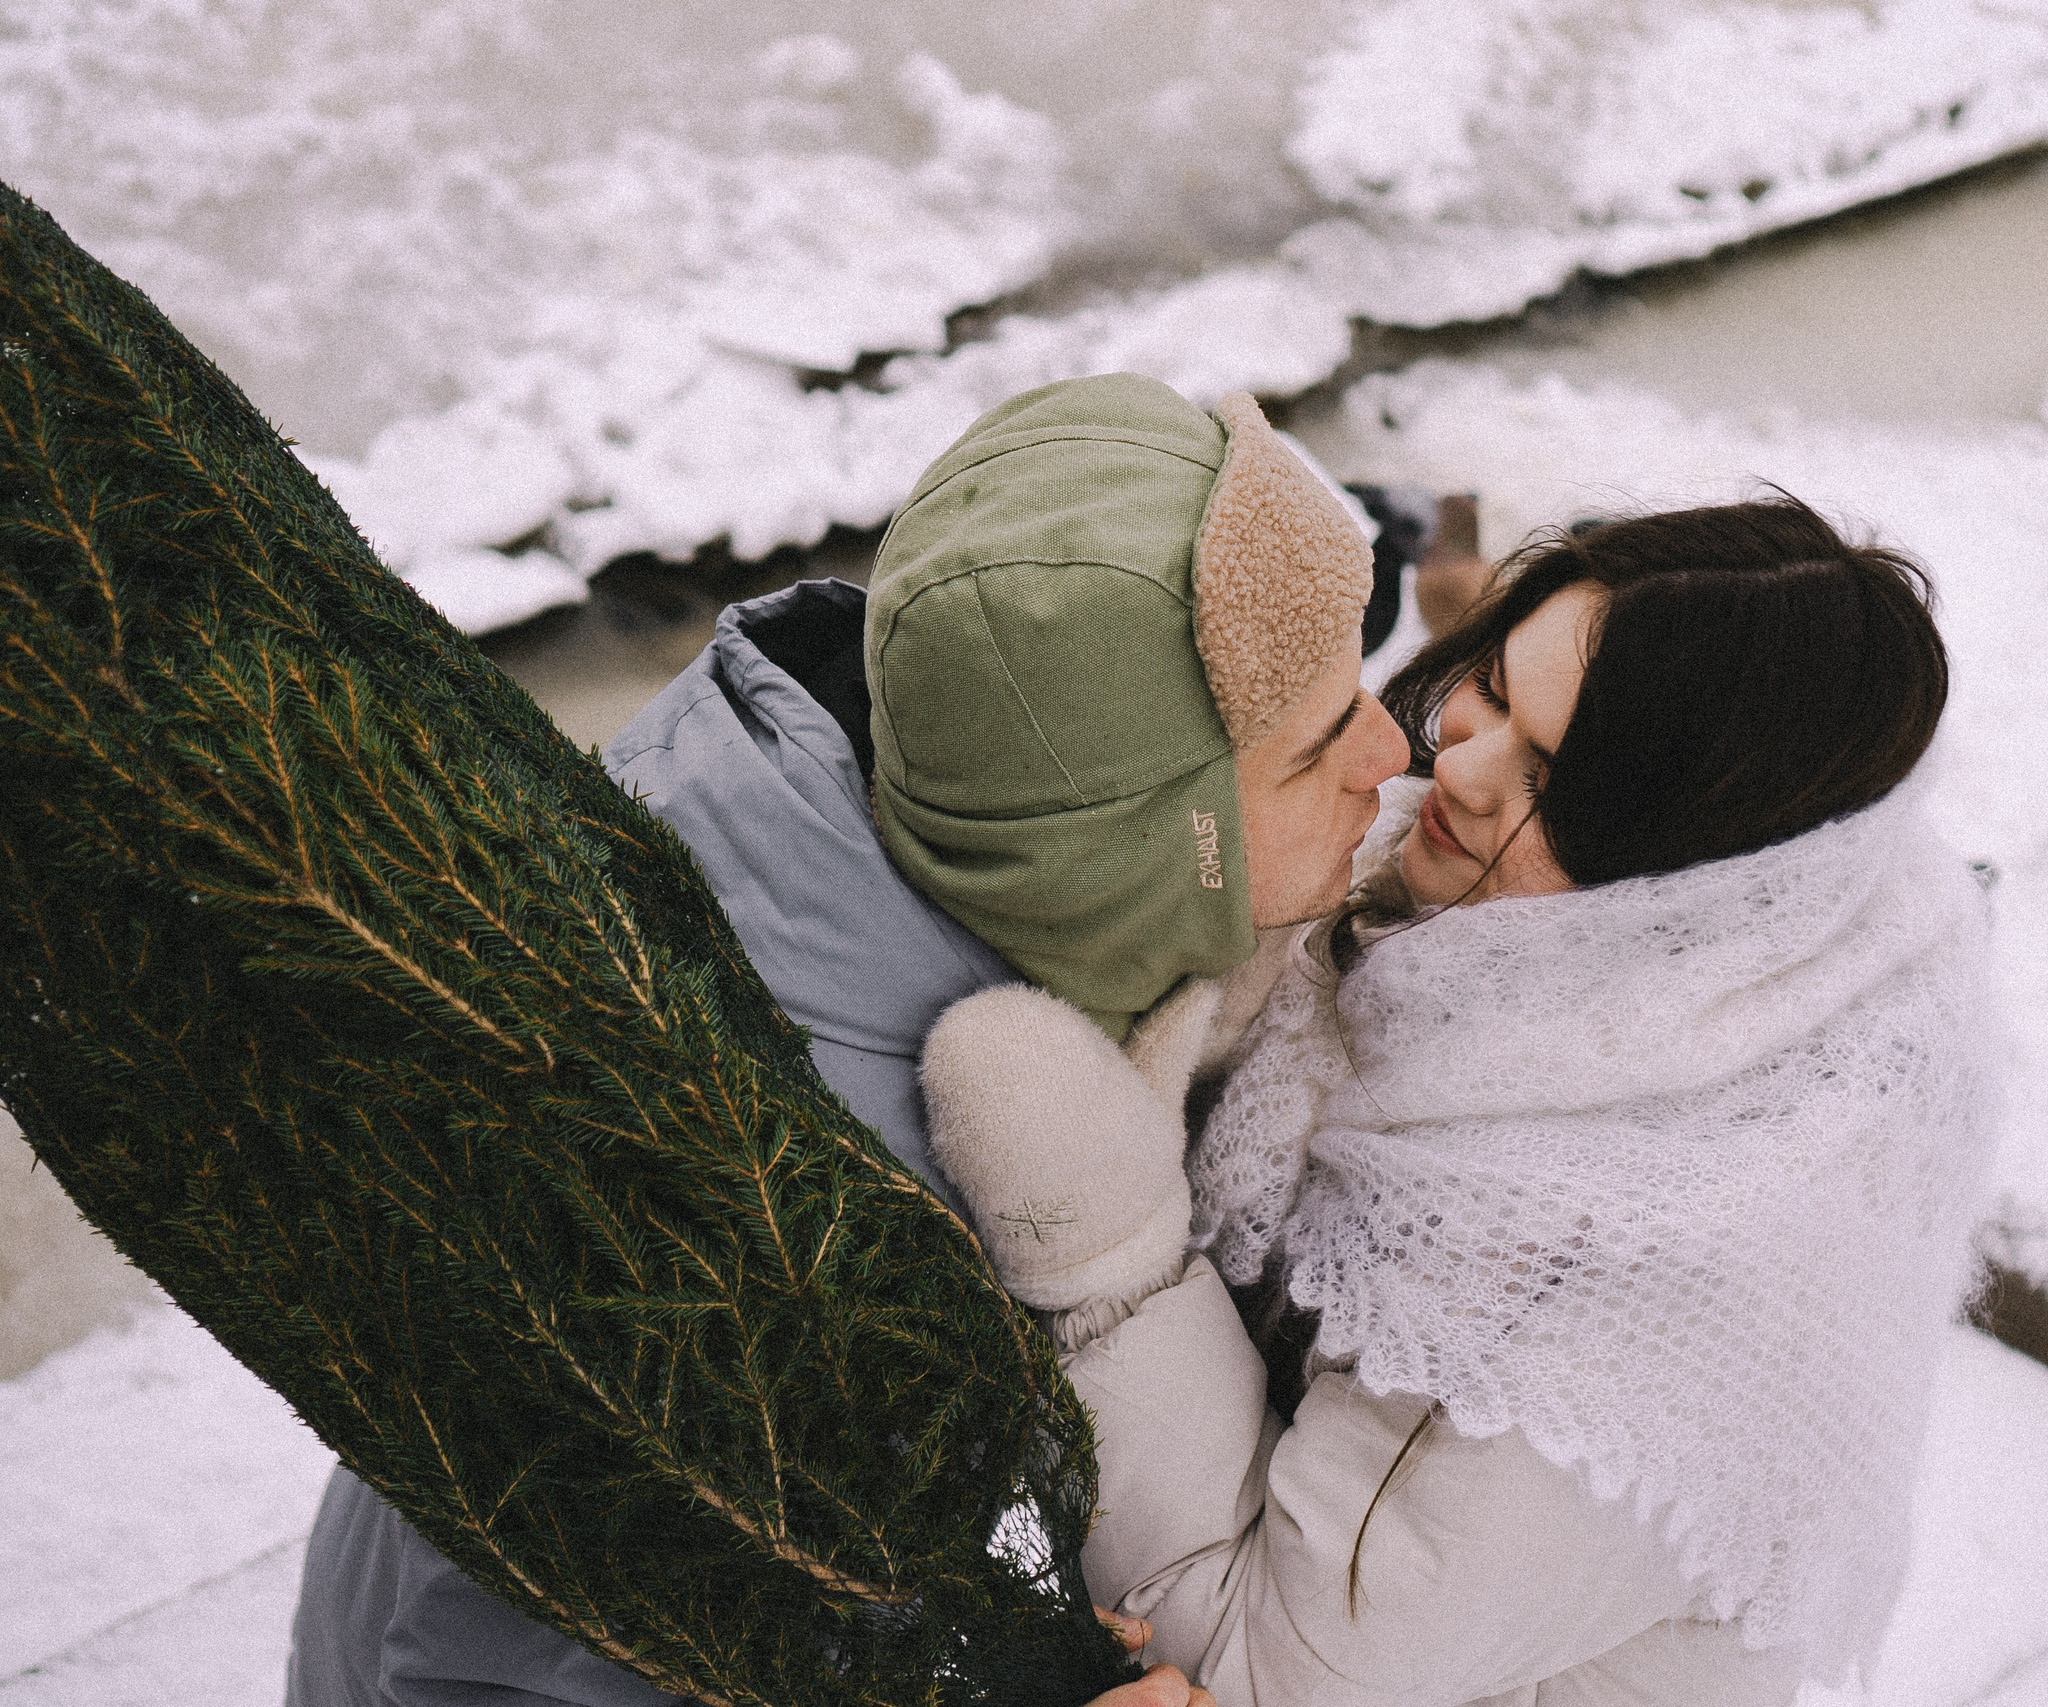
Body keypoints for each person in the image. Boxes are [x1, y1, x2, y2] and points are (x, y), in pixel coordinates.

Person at [284, 372, 1409, 1707]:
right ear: (1129, 855)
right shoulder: (762, 1215)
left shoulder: (896, 832)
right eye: (1314, 748)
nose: (1391, 751)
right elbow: (493, 1672)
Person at [921, 498, 2003, 1705]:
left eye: (1552, 778)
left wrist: (1106, 1247)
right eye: (1490, 686)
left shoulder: (1604, 1281)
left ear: (1692, 876)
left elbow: (1266, 1671)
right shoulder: (1614, 936)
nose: (1452, 765)